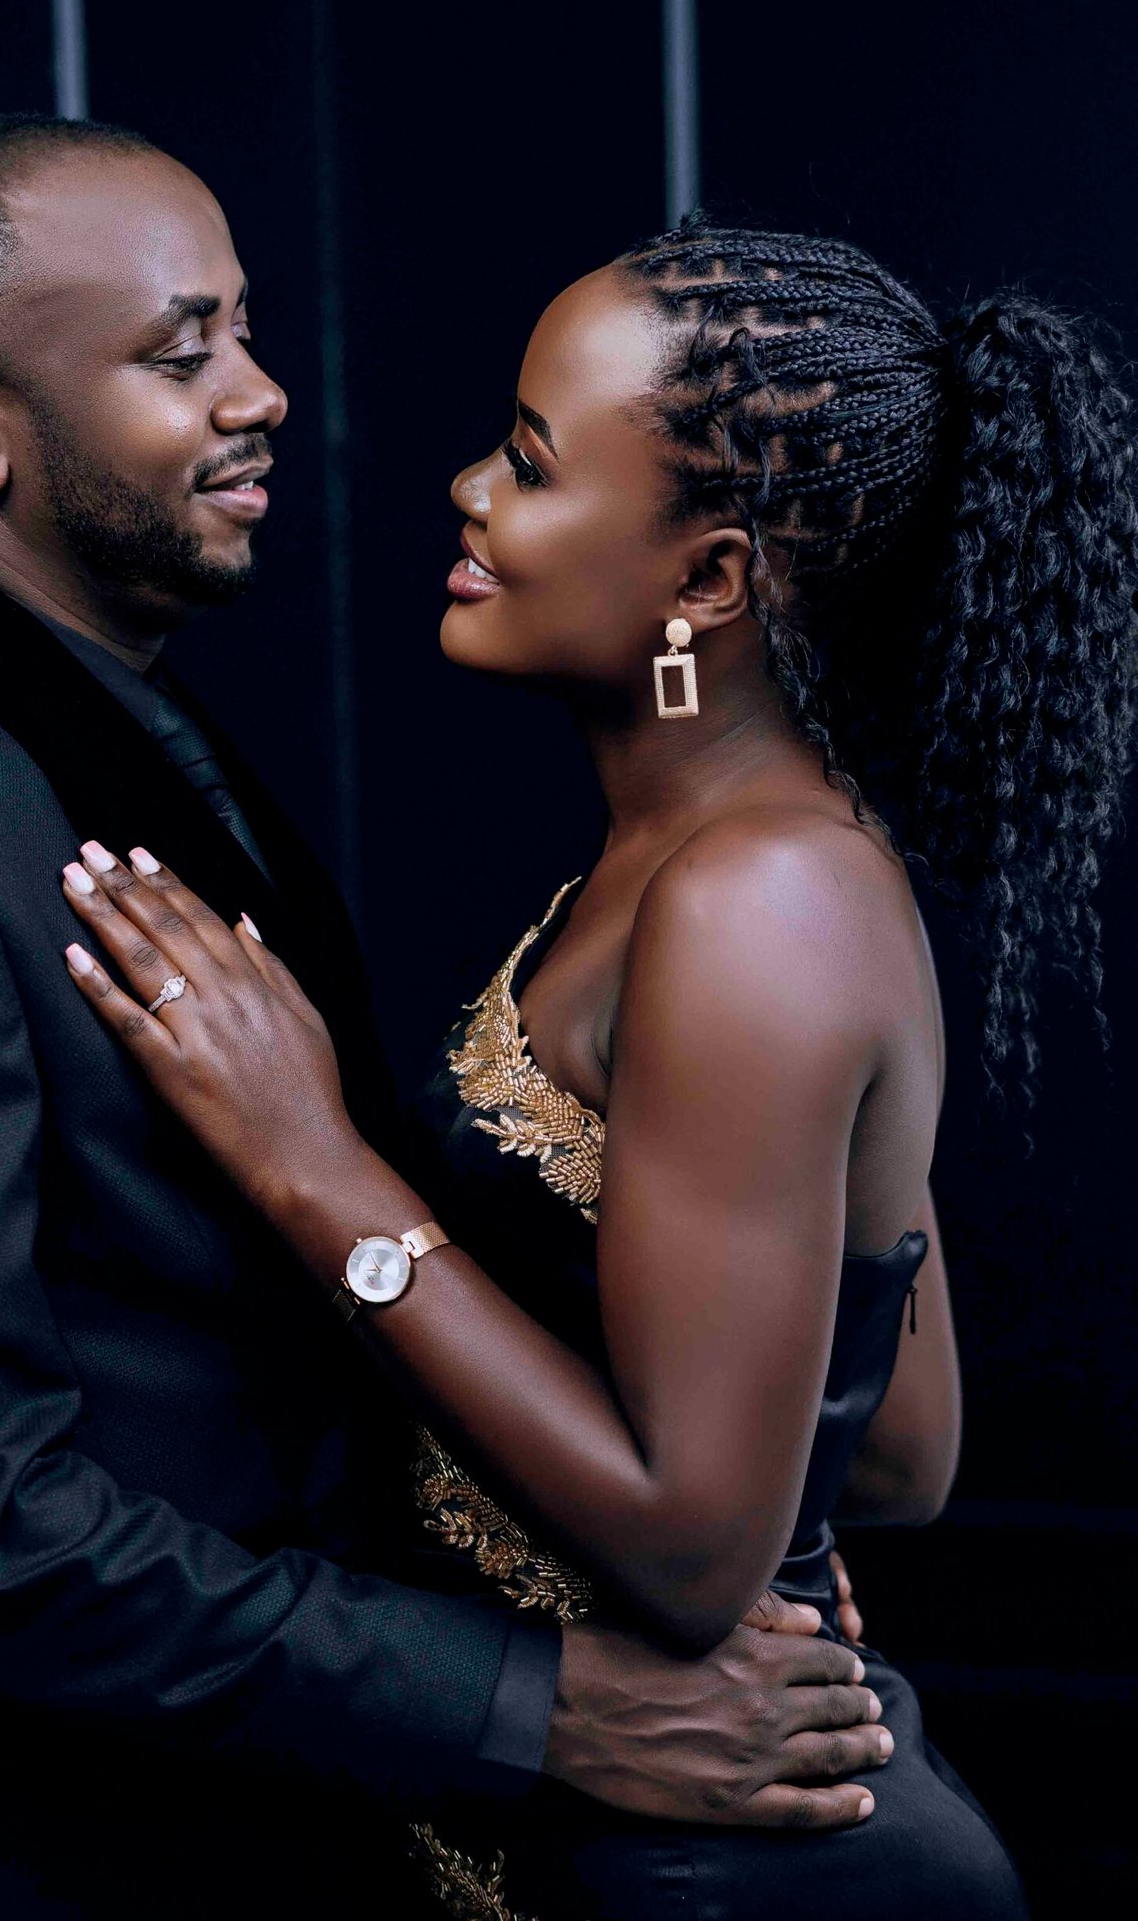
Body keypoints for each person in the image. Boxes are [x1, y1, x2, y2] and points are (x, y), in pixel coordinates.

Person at [0, 126, 888, 1920]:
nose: (265, 392)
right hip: (10, 1861)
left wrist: (721, 1526)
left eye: (246, 330)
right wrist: (532, 1704)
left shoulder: (112, 737)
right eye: (182, 352)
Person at [56, 223, 1138, 1917]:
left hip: (727, 1865)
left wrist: (312, 1167)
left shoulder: (757, 900)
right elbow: (896, 1450)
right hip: (642, 1811)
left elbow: (699, 1557)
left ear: (709, 582)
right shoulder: (711, 859)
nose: (471, 491)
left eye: (532, 462)